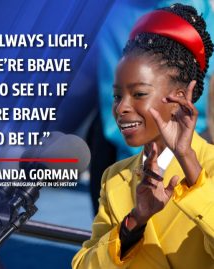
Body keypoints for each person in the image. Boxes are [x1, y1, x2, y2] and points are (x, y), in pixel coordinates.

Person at [72, 3, 214, 269]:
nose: (122, 107)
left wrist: (191, 170)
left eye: (138, 94)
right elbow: (84, 265)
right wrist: (133, 224)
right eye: (116, 95)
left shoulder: (209, 167)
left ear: (180, 97)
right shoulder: (114, 179)